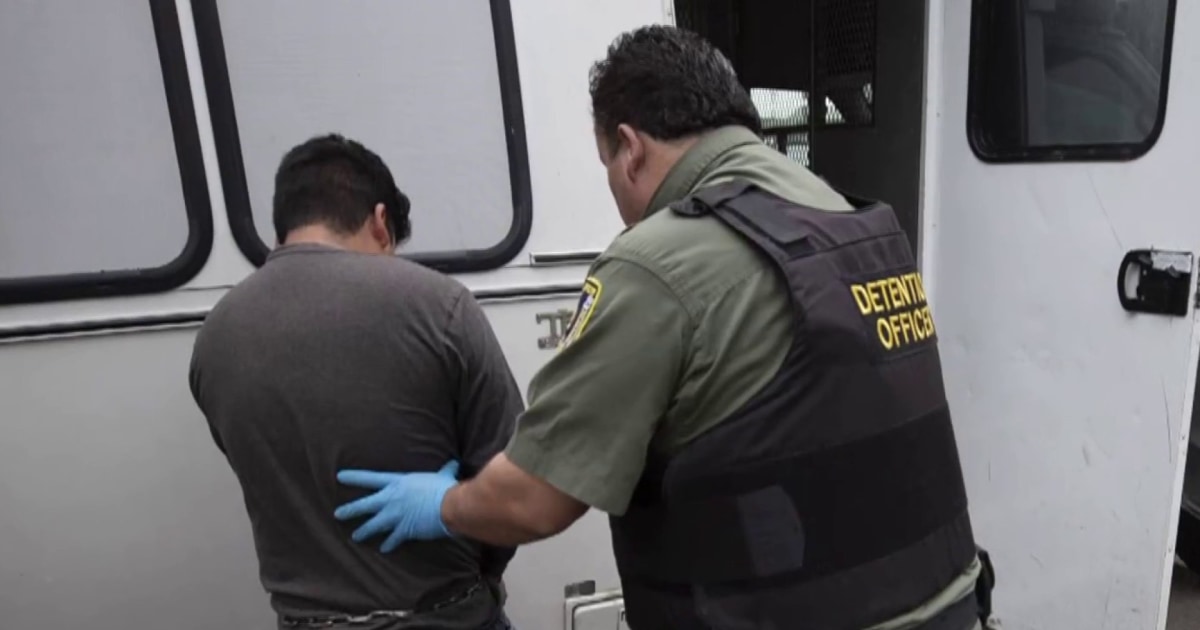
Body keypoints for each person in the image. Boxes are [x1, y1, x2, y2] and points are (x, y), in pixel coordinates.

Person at [333, 26, 996, 630]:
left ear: (629, 149)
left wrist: (443, 504)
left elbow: (536, 500)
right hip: (947, 605)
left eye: (606, 165)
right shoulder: (849, 219)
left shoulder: (657, 263)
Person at [189, 134, 521, 630]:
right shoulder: (442, 307)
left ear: (283, 225)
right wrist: (474, 563)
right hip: (445, 615)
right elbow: (514, 476)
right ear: (380, 223)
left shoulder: (216, 336)